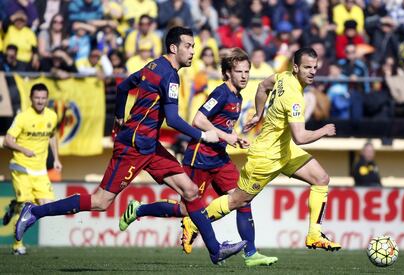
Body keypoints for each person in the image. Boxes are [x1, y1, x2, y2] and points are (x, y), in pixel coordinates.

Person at [14, 27, 246, 265]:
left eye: (194, 46)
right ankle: (34, 212)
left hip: (149, 145)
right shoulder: (170, 76)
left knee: (189, 191)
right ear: (174, 48)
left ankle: (215, 249)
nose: (193, 51)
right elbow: (173, 119)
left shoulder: (152, 66)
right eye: (188, 46)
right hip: (133, 146)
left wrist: (119, 116)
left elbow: (124, 86)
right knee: (100, 202)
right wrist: (203, 135)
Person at [119, 48, 278, 267]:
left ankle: (251, 253)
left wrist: (234, 138)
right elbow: (198, 119)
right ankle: (138, 210)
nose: (244, 75)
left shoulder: (238, 96)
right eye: (239, 71)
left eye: (247, 71)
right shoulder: (221, 93)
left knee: (243, 198)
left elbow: (220, 125)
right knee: (186, 209)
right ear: (227, 74)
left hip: (219, 158)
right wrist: (225, 136)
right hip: (200, 157)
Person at [182, 47, 342, 252]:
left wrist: (259, 114)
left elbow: (262, 86)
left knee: (321, 179)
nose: (312, 71)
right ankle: (194, 222)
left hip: (284, 150)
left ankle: (314, 234)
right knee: (238, 200)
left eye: (314, 67)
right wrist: (324, 130)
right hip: (267, 156)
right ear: (295, 68)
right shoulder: (294, 97)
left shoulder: (283, 77)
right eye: (306, 67)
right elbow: (300, 137)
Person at [2, 83, 62, 255]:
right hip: (21, 167)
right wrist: (23, 150)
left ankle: (13, 206)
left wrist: (57, 159)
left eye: (43, 98)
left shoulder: (51, 115)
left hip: (40, 171)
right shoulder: (23, 117)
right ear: (31, 98)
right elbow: (7, 141)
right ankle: (17, 245)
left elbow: (52, 137)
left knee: (46, 207)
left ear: (47, 99)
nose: (40, 101)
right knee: (25, 207)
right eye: (37, 98)